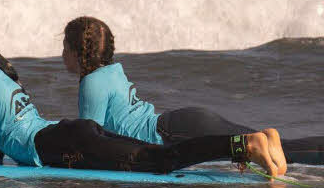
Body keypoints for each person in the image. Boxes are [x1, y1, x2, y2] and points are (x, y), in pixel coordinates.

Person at [0, 25, 288, 178]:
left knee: (160, 162)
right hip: (68, 135)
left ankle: (244, 145)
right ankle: (243, 144)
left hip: (64, 145)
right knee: (159, 158)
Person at [61, 16, 322, 164]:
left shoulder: (91, 83)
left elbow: (89, 141)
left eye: (64, 48)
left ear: (77, 53)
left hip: (172, 131)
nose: (62, 55)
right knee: (273, 145)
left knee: (281, 151)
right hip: (181, 122)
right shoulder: (112, 70)